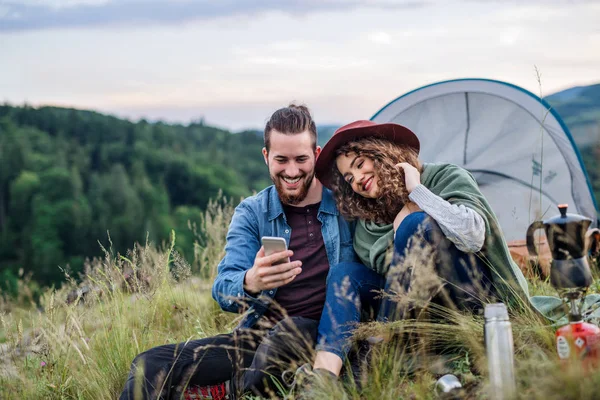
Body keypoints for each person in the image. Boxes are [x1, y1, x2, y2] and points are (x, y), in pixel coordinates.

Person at [119, 105, 356, 399]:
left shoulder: (347, 203)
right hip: (256, 338)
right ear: (266, 156)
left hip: (319, 336)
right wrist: (251, 281)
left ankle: (229, 391)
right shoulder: (253, 212)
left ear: (317, 155)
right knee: (148, 365)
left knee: (285, 335)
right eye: (281, 159)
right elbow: (222, 287)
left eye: (301, 159)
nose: (292, 171)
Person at [308, 120, 531, 377]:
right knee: (344, 273)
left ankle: (380, 352)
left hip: (471, 298)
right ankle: (322, 378)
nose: (357, 179)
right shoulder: (367, 225)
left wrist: (418, 194)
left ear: (382, 152)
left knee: (416, 224)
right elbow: (392, 281)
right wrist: (399, 233)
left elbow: (474, 236)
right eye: (349, 178)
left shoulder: (444, 177)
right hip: (418, 318)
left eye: (360, 164)